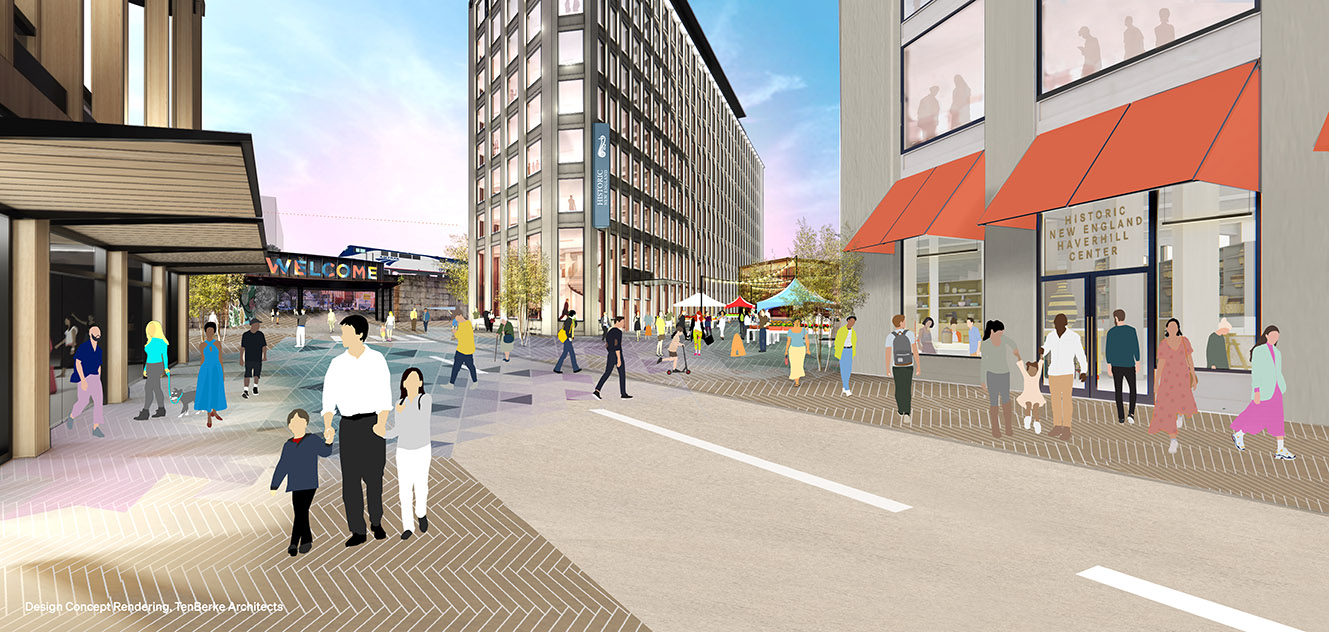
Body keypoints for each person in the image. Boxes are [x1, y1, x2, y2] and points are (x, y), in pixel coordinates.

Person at [321, 314, 392, 547]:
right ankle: (357, 530)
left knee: (374, 478)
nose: (342, 335)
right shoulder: (337, 364)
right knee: (350, 481)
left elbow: (385, 394)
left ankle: (376, 522)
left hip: (372, 425)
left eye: (346, 332)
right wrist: (328, 426)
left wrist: (382, 423)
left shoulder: (377, 360)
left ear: (359, 334)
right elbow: (328, 398)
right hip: (348, 426)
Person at [270, 408, 334, 556]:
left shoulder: (312, 440)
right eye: (293, 421)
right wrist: (275, 484)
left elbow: (325, 452)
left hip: (309, 483)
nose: (296, 424)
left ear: (306, 423)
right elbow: (282, 465)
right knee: (300, 512)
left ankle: (294, 542)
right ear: (289, 425)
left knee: (301, 511)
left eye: (300, 421)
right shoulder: (288, 445)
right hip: (294, 484)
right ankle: (306, 539)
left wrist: (329, 441)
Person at [1230, 325, 1296, 460]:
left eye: (1277, 336)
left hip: (1276, 389)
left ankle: (1280, 448)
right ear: (1266, 335)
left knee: (1277, 417)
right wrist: (1257, 390)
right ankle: (1240, 433)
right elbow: (1257, 372)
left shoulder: (1277, 353)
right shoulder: (1259, 351)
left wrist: (1281, 385)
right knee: (1255, 414)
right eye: (1272, 335)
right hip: (1264, 390)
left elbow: (1277, 371)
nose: (1275, 338)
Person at [387, 368, 432, 540]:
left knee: (421, 485)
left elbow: (421, 421)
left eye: (416, 379)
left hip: (421, 449)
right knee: (404, 489)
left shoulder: (425, 399)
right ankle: (408, 526)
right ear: (404, 383)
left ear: (420, 383)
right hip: (403, 450)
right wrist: (381, 432)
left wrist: (402, 412)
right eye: (408, 379)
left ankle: (421, 512)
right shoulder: (400, 403)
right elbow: (398, 430)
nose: (412, 382)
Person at [1152, 318, 1199, 455]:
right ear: (1166, 329)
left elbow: (1189, 359)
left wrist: (1193, 375)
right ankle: (1173, 440)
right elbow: (1160, 365)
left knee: (1180, 403)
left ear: (1178, 328)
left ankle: (1180, 415)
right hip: (1168, 380)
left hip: (1183, 378)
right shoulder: (1163, 344)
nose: (1172, 329)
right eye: (1170, 326)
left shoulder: (1184, 342)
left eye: (1175, 326)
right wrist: (1156, 382)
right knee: (1168, 410)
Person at [1042, 313, 1087, 441]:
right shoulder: (1051, 336)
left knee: (1066, 400)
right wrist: (1041, 351)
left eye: (1059, 324)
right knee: (1055, 401)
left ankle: (1067, 428)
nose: (1057, 326)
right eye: (1056, 324)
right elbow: (1045, 350)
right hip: (1053, 372)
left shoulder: (1073, 337)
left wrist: (1084, 370)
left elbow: (1080, 354)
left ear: (1065, 324)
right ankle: (1057, 426)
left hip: (1067, 372)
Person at [979, 320, 1023, 438]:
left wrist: (1015, 351)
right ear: (992, 331)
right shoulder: (986, 344)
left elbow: (1012, 343)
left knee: (1006, 401)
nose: (1001, 335)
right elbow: (984, 363)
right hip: (992, 375)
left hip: (1004, 374)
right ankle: (995, 429)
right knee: (994, 402)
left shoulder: (1003, 339)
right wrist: (982, 380)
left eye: (1002, 333)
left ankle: (1008, 427)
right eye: (999, 333)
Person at [63, 325, 106, 437]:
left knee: (98, 402)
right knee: (83, 402)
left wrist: (98, 378)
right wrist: (83, 380)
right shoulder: (84, 348)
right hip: (85, 377)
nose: (97, 337)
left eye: (98, 335)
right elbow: (78, 363)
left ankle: (95, 428)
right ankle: (72, 416)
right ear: (91, 335)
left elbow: (99, 365)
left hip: (95, 377)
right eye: (95, 335)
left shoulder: (99, 350)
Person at [1104, 309, 1142, 425]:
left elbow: (1108, 350)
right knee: (1133, 389)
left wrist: (1109, 365)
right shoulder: (1131, 331)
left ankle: (1121, 417)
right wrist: (1138, 361)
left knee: (1118, 391)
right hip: (1129, 364)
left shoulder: (1111, 332)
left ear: (1116, 318)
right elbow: (1135, 347)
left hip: (1116, 365)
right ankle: (1131, 413)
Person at [886, 315, 921, 422]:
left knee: (899, 388)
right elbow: (915, 351)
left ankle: (901, 410)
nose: (905, 322)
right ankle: (907, 413)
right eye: (904, 321)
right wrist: (918, 365)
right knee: (907, 389)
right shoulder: (910, 334)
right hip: (908, 365)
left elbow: (888, 353)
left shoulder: (890, 336)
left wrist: (887, 367)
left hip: (896, 366)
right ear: (901, 323)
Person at [134, 320, 170, 420]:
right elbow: (149, 357)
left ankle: (145, 412)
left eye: (152, 329)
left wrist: (166, 367)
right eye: (149, 329)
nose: (150, 330)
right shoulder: (150, 341)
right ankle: (161, 409)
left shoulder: (162, 342)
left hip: (157, 366)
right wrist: (145, 368)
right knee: (156, 388)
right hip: (150, 365)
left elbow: (165, 356)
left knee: (148, 388)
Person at [195, 322, 228, 428]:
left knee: (215, 390)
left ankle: (214, 411)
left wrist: (222, 372)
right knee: (207, 391)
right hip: (206, 370)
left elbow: (221, 359)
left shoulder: (218, 343)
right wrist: (200, 373)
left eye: (211, 331)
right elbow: (202, 359)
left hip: (216, 369)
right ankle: (208, 416)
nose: (210, 332)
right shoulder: (202, 345)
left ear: (214, 331)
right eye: (208, 331)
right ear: (205, 332)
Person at [593, 316, 632, 400]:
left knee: (607, 373)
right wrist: (618, 358)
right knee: (622, 374)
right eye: (622, 322)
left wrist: (610, 352)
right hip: (617, 354)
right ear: (617, 322)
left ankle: (597, 390)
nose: (623, 324)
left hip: (610, 354)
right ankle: (623, 393)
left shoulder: (610, 331)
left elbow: (607, 344)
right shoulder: (618, 332)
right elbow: (617, 345)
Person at [1016, 353, 1046, 435]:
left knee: (1036, 408)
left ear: (1036, 371)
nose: (1032, 372)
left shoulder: (1037, 376)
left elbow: (1040, 365)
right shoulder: (1026, 376)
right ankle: (1027, 419)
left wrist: (1041, 356)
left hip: (1036, 396)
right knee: (1028, 405)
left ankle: (1037, 423)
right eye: (1030, 370)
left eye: (1034, 371)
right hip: (1027, 396)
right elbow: (1021, 367)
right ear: (1028, 370)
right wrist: (1018, 356)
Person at [240, 318, 268, 399]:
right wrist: (241, 358)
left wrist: (264, 355)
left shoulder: (260, 334)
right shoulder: (245, 335)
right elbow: (242, 347)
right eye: (257, 324)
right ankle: (246, 390)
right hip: (248, 358)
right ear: (253, 325)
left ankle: (255, 387)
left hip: (258, 357)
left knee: (257, 374)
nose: (259, 326)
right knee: (247, 374)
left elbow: (264, 346)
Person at [449, 314, 479, 386]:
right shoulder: (467, 323)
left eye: (457, 318)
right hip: (466, 349)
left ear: (460, 315)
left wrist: (454, 332)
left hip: (463, 350)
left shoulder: (464, 325)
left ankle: (451, 383)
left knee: (458, 367)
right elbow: (463, 336)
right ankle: (475, 382)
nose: (456, 320)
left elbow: (460, 335)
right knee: (469, 366)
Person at [834, 316, 858, 396]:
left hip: (850, 351)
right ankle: (847, 388)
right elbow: (837, 341)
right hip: (843, 351)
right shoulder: (841, 330)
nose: (852, 323)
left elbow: (854, 342)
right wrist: (838, 351)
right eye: (851, 321)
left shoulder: (853, 332)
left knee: (848, 369)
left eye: (854, 322)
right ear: (848, 321)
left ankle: (844, 386)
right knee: (843, 369)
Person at [784, 319, 807, 387]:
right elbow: (788, 341)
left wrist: (808, 349)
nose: (797, 323)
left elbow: (807, 339)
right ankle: (797, 381)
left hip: (801, 349)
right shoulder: (790, 331)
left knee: (799, 364)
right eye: (796, 322)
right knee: (794, 365)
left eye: (799, 322)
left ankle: (797, 379)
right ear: (793, 323)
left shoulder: (803, 330)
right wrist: (786, 351)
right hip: (793, 349)